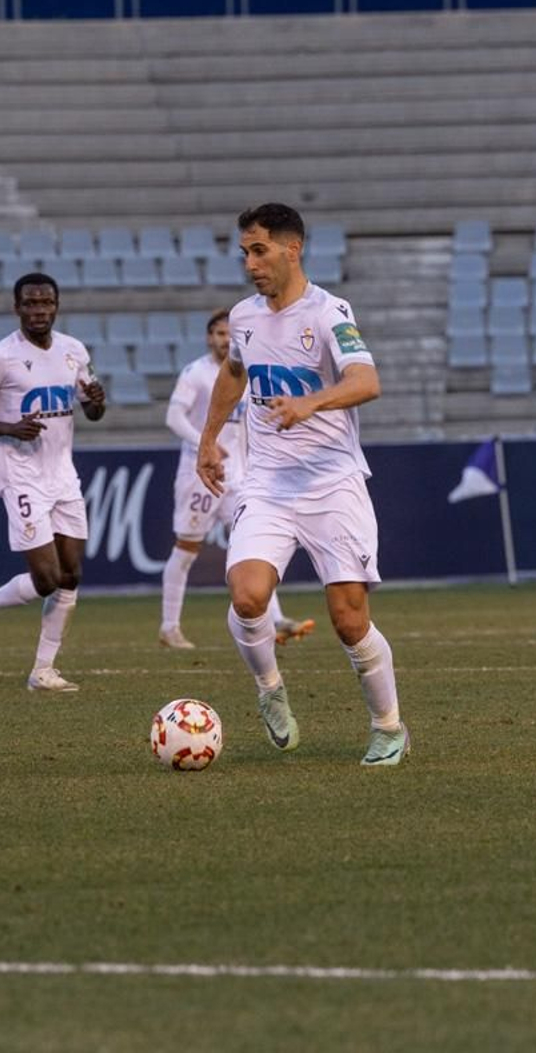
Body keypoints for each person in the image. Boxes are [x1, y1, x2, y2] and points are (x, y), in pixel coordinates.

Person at [196, 204, 409, 767]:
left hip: (333, 483)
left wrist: (311, 402)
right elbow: (234, 372)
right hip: (267, 483)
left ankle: (388, 726)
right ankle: (270, 689)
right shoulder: (244, 317)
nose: (250, 263)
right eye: (245, 252)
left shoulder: (329, 312)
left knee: (349, 620)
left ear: (293, 250)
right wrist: (208, 439)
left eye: (259, 250)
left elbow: (367, 381)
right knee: (247, 596)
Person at [0, 272, 106, 693]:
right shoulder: (1, 357)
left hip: (63, 475)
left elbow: (91, 411)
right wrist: (9, 428)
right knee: (47, 579)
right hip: (22, 475)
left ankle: (43, 670)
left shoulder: (73, 351)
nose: (39, 310)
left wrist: (96, 403)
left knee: (71, 575)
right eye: (30, 303)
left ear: (56, 306)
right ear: (17, 308)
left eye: (46, 303)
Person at [159, 307, 315, 651]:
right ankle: (169, 628)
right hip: (200, 476)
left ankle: (276, 619)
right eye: (219, 333)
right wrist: (204, 442)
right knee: (186, 549)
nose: (225, 339)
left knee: (253, 544)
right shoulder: (196, 373)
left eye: (230, 333)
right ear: (208, 338)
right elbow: (173, 417)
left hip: (240, 476)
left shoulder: (247, 373)